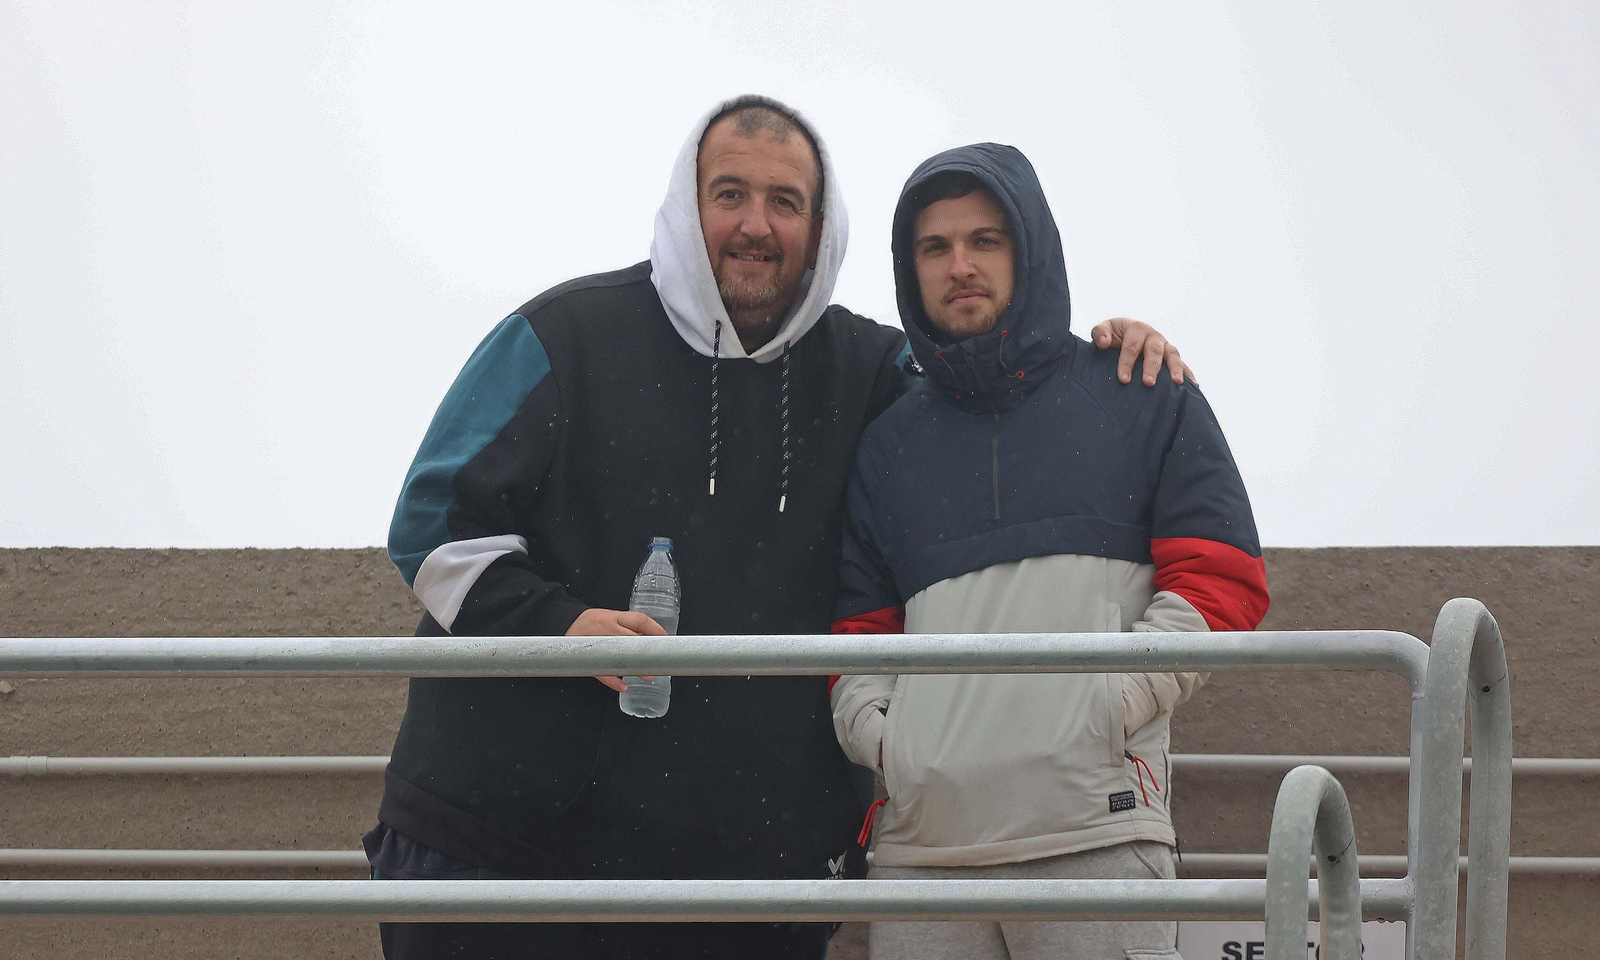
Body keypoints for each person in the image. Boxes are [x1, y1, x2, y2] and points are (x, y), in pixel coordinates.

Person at [366, 97, 1190, 960]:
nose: (755, 225)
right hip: (504, 870)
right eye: (729, 194)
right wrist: (558, 626)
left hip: (746, 889)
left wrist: (1097, 360)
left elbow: (997, 397)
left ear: (821, 224)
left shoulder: (879, 375)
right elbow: (433, 525)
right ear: (688, 210)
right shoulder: (562, 335)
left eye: (785, 202)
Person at [829, 143, 1270, 960]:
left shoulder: (1141, 390)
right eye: (935, 247)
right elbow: (859, 637)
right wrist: (895, 746)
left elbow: (1222, 579)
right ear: (909, 266)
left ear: (1030, 247)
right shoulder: (888, 445)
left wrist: (1101, 709)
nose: (960, 265)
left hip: (1095, 843)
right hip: (924, 863)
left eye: (986, 240)